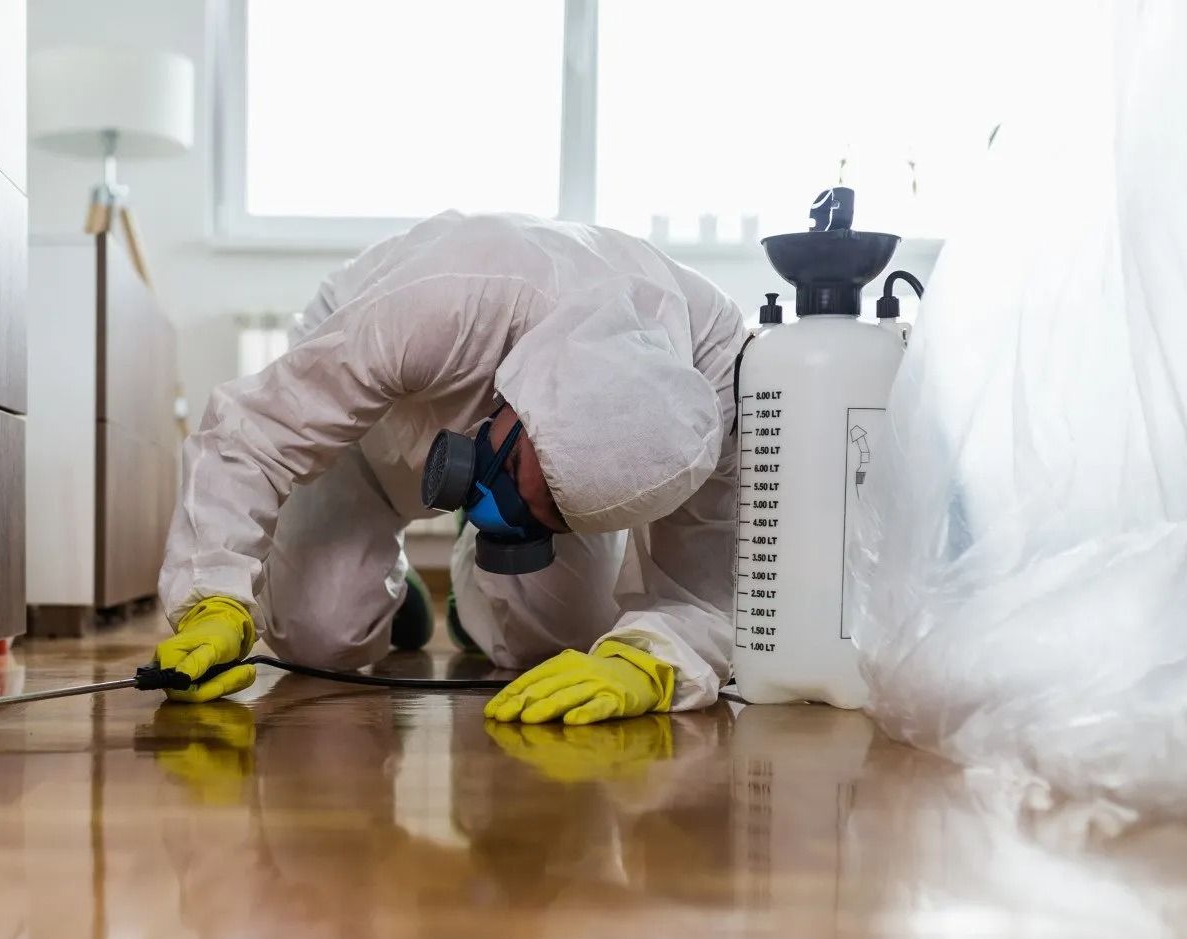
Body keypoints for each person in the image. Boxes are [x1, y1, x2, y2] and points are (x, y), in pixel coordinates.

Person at [151, 211, 747, 724]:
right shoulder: (452, 298)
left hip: (515, 436)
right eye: (514, 469)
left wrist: (652, 663)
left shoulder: (723, 378)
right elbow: (255, 430)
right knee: (320, 638)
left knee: (561, 644)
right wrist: (213, 594)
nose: (502, 502)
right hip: (368, 425)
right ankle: (391, 585)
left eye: (548, 511)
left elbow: (711, 587)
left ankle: (478, 599)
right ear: (521, 392)